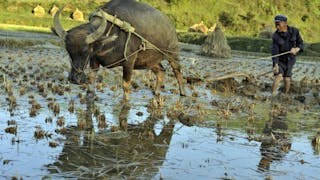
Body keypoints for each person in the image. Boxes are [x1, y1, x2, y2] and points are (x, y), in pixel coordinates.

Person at [271, 15, 304, 96]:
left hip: (290, 59)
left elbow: (301, 43)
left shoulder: (294, 31)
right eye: (276, 24)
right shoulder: (275, 36)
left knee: (287, 78)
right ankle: (273, 94)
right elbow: (274, 51)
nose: (277, 26)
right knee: (278, 75)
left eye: (279, 24)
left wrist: (297, 49)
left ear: (285, 23)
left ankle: (285, 94)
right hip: (280, 59)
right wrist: (275, 64)